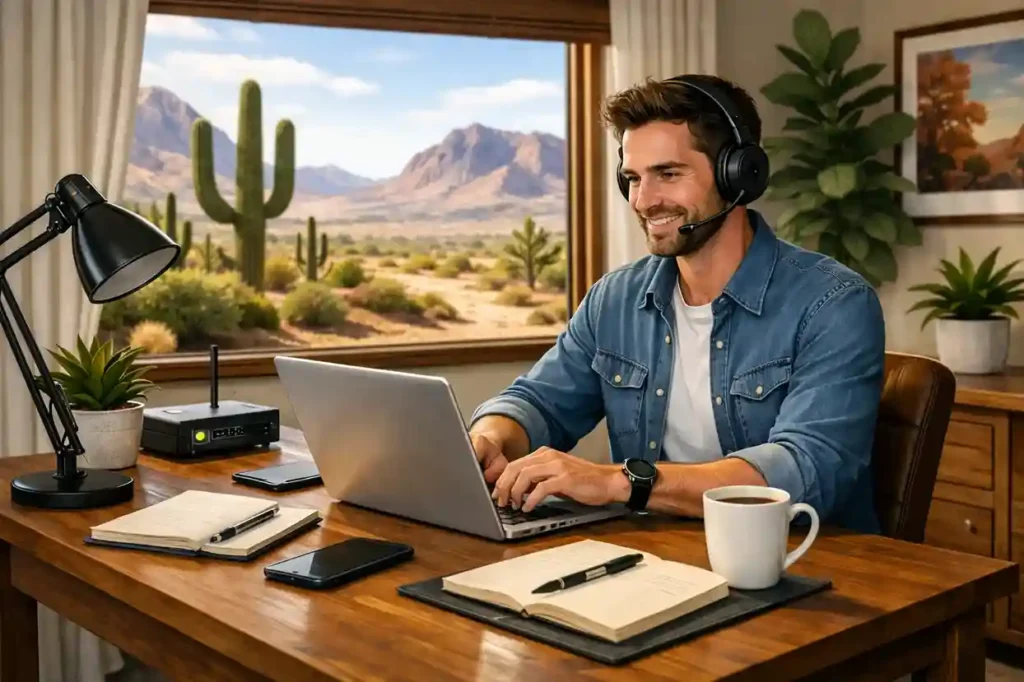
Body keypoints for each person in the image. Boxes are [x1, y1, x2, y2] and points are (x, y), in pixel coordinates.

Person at [467, 74, 886, 534]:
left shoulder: (833, 304)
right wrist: (491, 436)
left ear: (738, 174)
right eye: (632, 178)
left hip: (803, 564)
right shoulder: (615, 299)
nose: (644, 200)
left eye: (667, 174)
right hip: (657, 563)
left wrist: (621, 482)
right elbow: (540, 402)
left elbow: (803, 467)